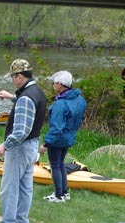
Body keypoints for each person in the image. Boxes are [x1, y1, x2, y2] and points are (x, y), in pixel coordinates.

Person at [0, 59, 46, 223]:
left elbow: (21, 131)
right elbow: (27, 105)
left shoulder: (26, 98)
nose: (12, 80)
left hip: (20, 149)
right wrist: (10, 97)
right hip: (32, 147)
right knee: (25, 187)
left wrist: (4, 146)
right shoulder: (37, 92)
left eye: (13, 77)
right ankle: (22, 221)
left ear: (20, 76)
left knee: (10, 188)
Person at [39, 71, 87, 203]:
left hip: (57, 139)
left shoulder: (61, 104)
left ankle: (58, 195)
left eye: (54, 83)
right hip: (69, 137)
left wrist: (45, 144)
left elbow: (56, 128)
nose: (53, 85)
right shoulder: (79, 99)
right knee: (60, 164)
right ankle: (65, 193)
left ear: (60, 85)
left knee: (55, 165)